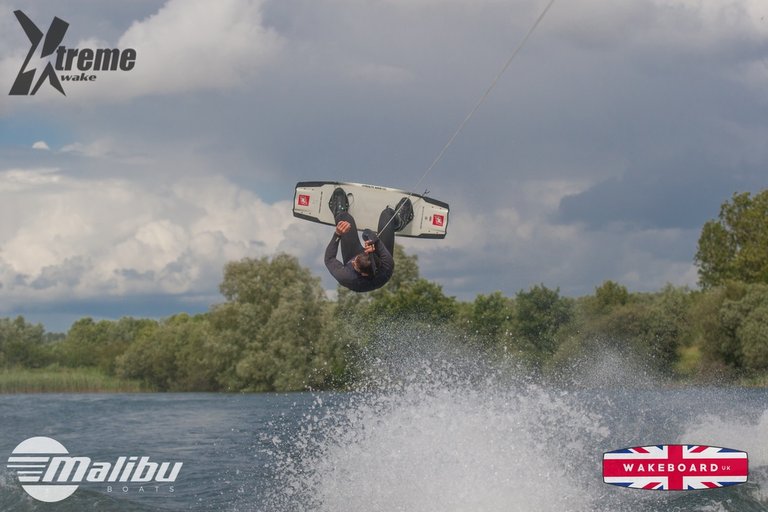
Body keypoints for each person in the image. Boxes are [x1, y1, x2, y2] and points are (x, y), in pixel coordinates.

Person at [324, 187, 413, 292]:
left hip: (357, 256)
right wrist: (372, 239)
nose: (353, 263)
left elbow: (329, 259)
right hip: (378, 259)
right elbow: (368, 232)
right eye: (356, 263)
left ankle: (339, 213)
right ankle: (399, 222)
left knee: (345, 219)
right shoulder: (387, 265)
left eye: (355, 264)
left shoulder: (345, 275)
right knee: (387, 213)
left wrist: (337, 234)